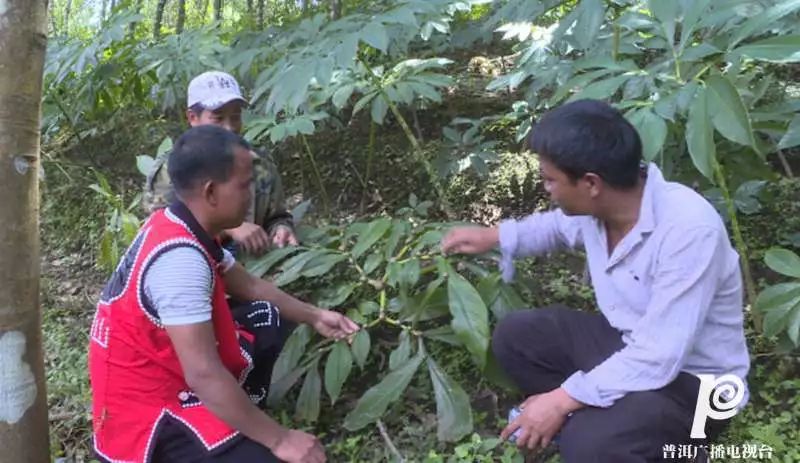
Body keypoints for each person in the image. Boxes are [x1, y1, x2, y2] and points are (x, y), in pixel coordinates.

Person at [441, 99, 750, 462]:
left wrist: (560, 399)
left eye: (550, 180)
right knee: (518, 337)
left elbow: (659, 356)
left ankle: (668, 444)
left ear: (591, 183)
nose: (547, 189)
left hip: (698, 385)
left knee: (590, 446)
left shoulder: (688, 231)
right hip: (631, 345)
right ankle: (603, 417)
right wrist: (493, 238)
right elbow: (557, 228)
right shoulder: (604, 206)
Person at [89, 125, 359, 463]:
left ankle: (241, 410)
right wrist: (279, 439)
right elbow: (202, 373)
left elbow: (250, 286)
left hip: (170, 371)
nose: (250, 195)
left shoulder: (181, 223)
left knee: (268, 318)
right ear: (212, 192)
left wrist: (316, 316)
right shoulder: (180, 261)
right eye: (244, 185)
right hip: (150, 412)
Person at [144, 70, 297, 255]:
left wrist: (281, 229)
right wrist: (231, 228)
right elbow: (162, 229)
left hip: (258, 270)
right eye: (218, 118)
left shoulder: (258, 163)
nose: (229, 127)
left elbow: (277, 217)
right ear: (193, 117)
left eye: (235, 116)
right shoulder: (173, 169)